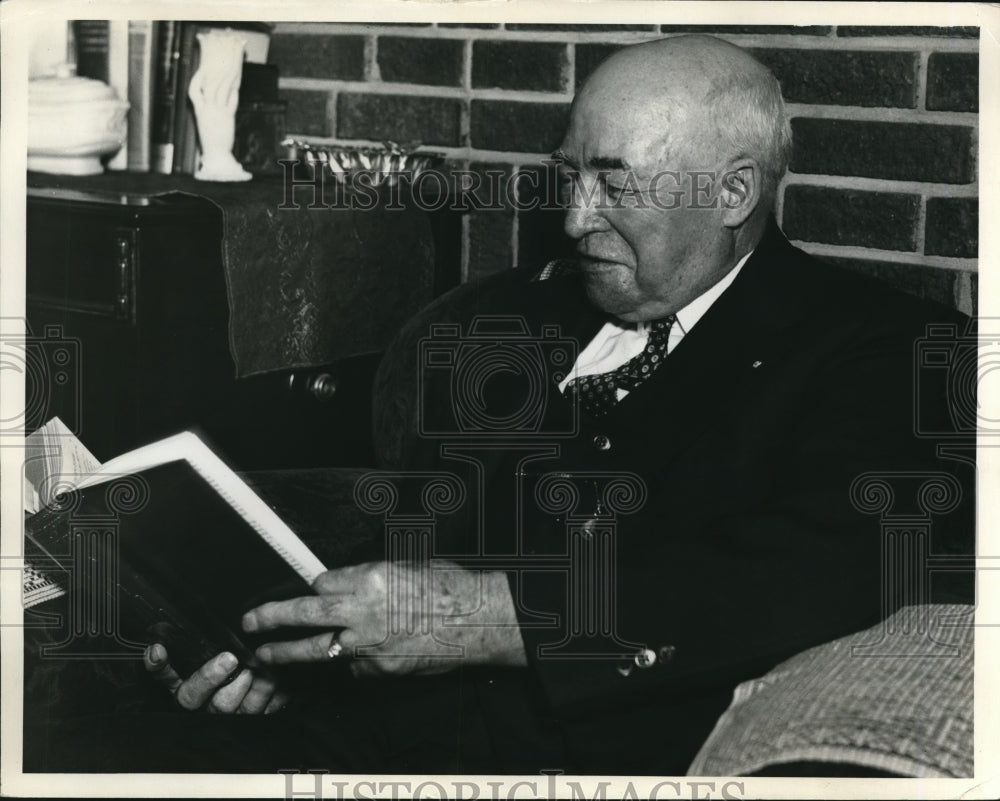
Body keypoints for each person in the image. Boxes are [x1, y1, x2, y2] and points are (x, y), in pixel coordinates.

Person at [142, 34, 974, 775]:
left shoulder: (888, 347)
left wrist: (478, 617)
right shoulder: (509, 324)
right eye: (570, 177)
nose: (576, 220)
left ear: (733, 193)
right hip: (369, 731)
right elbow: (413, 535)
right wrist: (290, 651)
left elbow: (813, 572)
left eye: (615, 183)